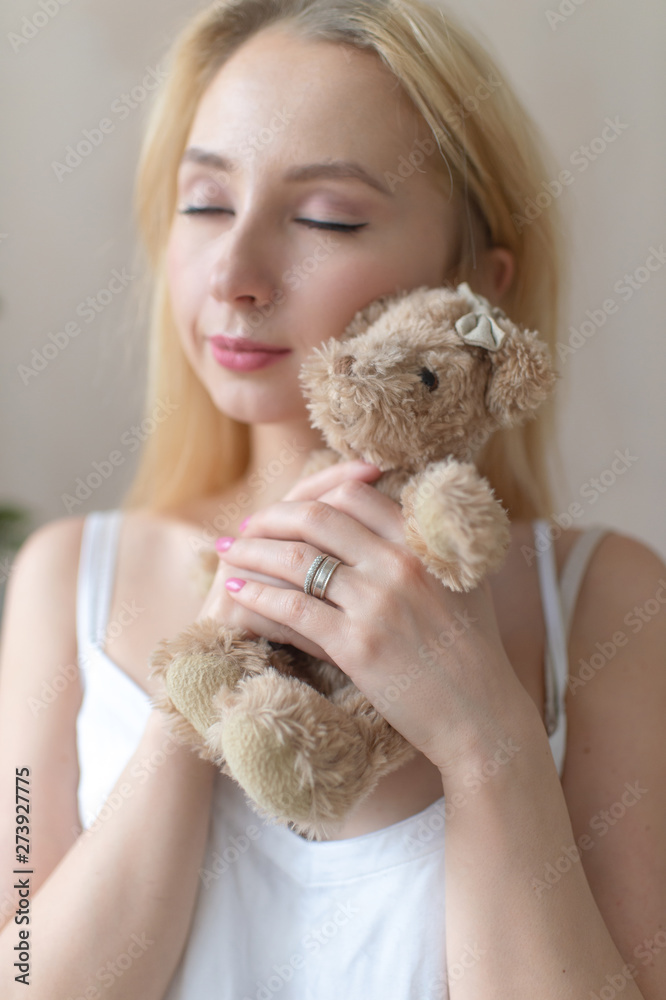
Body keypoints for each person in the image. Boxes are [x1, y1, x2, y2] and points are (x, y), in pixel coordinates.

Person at [0, 1, 663, 997]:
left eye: (326, 219)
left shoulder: (605, 600)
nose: (234, 274)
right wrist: (199, 691)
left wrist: (486, 739)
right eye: (205, 203)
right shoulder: (68, 577)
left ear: (476, 291)